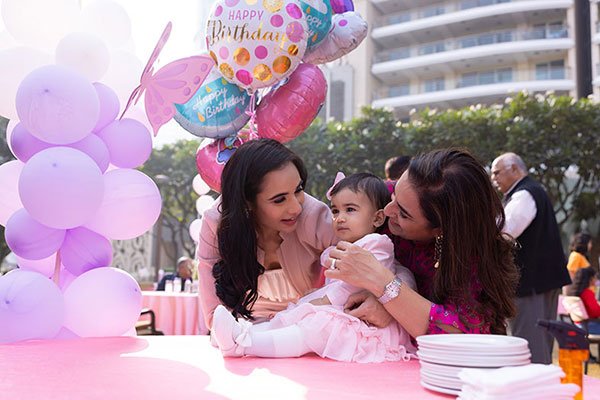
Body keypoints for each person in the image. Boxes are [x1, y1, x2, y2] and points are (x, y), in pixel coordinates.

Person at [211, 172, 417, 362]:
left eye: (350, 210)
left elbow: (351, 288)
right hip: (342, 310)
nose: (340, 218)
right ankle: (242, 333)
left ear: (378, 217)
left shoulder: (376, 244)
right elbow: (331, 283)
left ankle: (245, 344)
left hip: (365, 322)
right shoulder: (338, 248)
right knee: (299, 317)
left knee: (315, 326)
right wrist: (314, 297)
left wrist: (319, 302)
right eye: (335, 210)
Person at [322, 149, 519, 340]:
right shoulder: (374, 199)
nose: (388, 211)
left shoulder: (473, 261)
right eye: (394, 195)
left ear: (440, 230)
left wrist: (386, 289)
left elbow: (464, 335)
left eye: (404, 213)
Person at [196, 138, 336, 328]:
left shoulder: (314, 215)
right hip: (245, 329)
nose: (295, 208)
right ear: (247, 202)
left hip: (308, 323)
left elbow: (349, 281)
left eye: (298, 190)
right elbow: (215, 315)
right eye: (279, 200)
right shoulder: (216, 223)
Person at [490, 152, 570, 364]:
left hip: (530, 283)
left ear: (515, 169)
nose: (494, 179)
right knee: (541, 342)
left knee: (528, 346)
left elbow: (504, 231)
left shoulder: (524, 194)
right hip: (543, 281)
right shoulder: (532, 192)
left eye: (497, 173)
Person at [569, 267, 600, 334]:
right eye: (595, 277)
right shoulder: (587, 293)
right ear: (590, 279)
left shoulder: (574, 293)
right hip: (591, 326)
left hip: (578, 325)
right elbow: (596, 312)